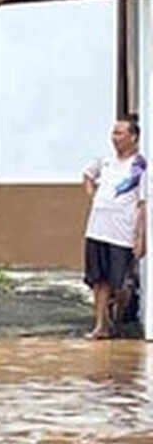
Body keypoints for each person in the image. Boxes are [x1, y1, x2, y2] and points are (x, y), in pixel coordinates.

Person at [83, 116, 146, 340]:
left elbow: (142, 204)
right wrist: (95, 199)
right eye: (113, 133)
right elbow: (88, 176)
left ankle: (118, 318)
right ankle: (101, 324)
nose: (115, 138)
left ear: (133, 137)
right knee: (98, 280)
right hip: (97, 229)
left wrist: (140, 237)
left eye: (120, 133)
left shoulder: (140, 167)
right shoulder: (106, 161)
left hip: (122, 232)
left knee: (120, 283)